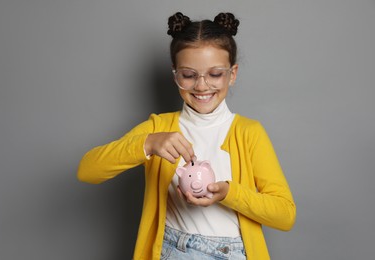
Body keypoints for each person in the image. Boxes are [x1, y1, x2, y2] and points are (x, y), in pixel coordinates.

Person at [77, 12, 296, 260]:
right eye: (189, 75)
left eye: (215, 74)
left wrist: (229, 193)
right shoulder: (159, 128)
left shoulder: (248, 133)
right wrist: (147, 144)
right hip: (171, 250)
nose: (201, 86)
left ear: (232, 74)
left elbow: (285, 215)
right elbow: (87, 170)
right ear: (175, 75)